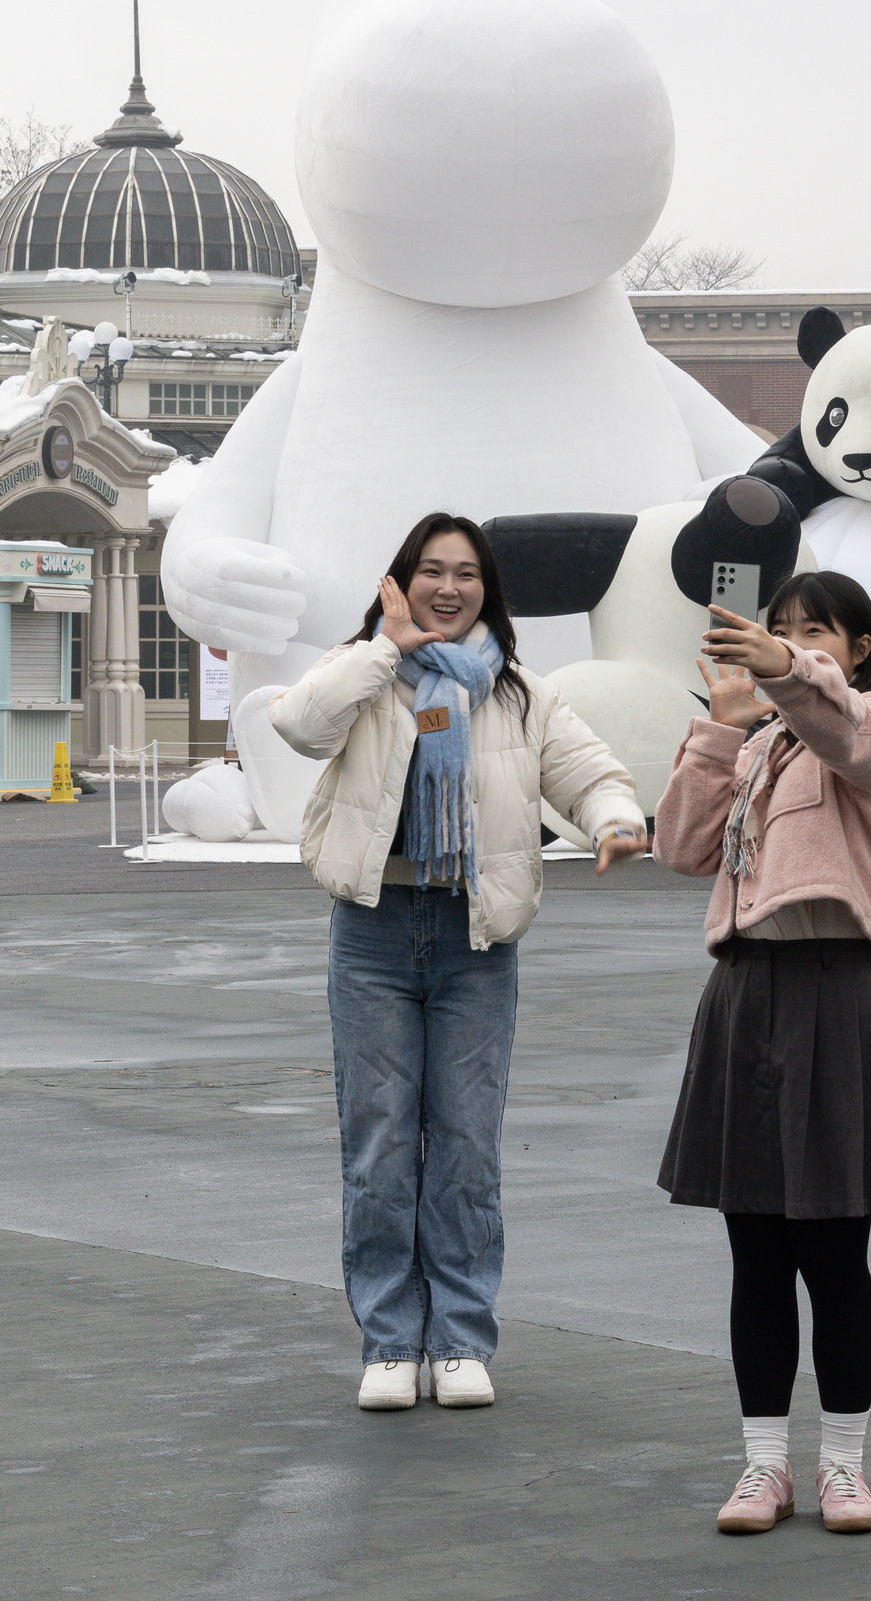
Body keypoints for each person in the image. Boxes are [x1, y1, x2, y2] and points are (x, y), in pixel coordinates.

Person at [269, 512, 647, 1413]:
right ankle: (392, 1341)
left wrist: (616, 819)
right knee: (381, 1145)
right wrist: (382, 649)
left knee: (467, 1148)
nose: (449, 587)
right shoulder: (362, 672)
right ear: (399, 582)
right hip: (373, 932)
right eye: (431, 571)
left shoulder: (518, 693)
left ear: (489, 590)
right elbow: (297, 725)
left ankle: (462, 1339)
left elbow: (589, 772)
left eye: (466, 573)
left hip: (475, 940)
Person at [653, 569, 871, 1537]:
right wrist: (721, 725)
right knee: (755, 1249)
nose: (795, 643)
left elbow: (840, 726)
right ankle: (762, 1466)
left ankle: (842, 1466)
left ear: (855, 646)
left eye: (818, 631)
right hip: (745, 992)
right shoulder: (764, 744)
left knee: (833, 1248)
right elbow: (681, 847)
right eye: (779, 628)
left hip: (839, 991)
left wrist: (782, 665)